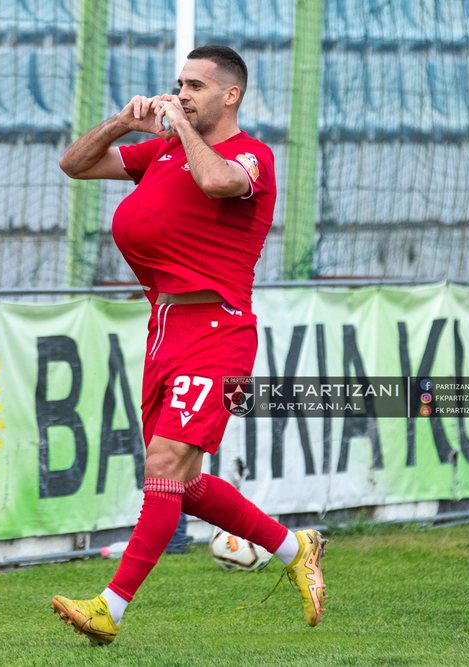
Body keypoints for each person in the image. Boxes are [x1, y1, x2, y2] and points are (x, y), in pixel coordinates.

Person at [51, 45, 327, 646]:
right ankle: (292, 545)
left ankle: (110, 609)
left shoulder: (249, 155)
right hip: (164, 330)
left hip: (217, 331)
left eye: (196, 86)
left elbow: (217, 181)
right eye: (180, 84)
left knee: (164, 466)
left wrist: (178, 123)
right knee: (183, 482)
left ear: (230, 95)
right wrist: (123, 122)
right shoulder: (162, 152)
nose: (183, 94)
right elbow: (74, 165)